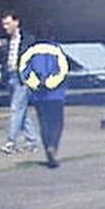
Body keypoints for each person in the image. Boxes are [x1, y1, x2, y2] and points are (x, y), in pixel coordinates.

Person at [19, 28, 71, 167]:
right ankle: (53, 147)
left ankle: (48, 146)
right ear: (52, 37)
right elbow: (63, 70)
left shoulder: (30, 52)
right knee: (57, 123)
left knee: (44, 123)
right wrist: (52, 83)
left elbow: (25, 71)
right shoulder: (57, 50)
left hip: (38, 95)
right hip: (56, 94)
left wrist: (36, 83)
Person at [0, 11, 39, 154]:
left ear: (16, 22)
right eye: (4, 24)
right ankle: (32, 141)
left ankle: (11, 142)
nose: (5, 27)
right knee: (22, 111)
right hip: (9, 77)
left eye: (8, 23)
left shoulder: (28, 40)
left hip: (22, 78)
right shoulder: (6, 41)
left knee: (16, 109)